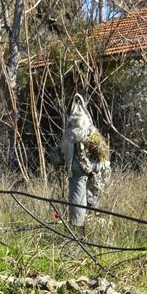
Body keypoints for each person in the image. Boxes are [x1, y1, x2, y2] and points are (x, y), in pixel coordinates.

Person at [61, 94, 111, 230]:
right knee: (93, 191)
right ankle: (93, 222)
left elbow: (62, 153)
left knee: (78, 197)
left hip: (78, 169)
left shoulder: (69, 133)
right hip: (93, 166)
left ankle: (78, 226)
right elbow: (102, 152)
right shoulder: (91, 131)